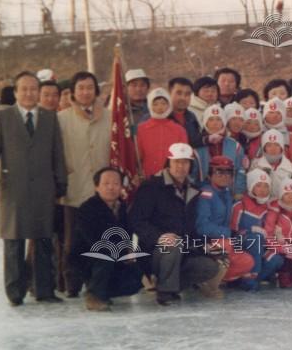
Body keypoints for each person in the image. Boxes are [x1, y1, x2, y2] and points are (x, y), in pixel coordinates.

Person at [0, 71, 68, 305]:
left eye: (33, 89)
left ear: (39, 91)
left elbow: (57, 152)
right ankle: (15, 292)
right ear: (15, 92)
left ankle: (44, 289)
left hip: (43, 188)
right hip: (13, 188)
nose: (29, 93)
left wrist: (61, 181)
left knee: (44, 239)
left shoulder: (49, 117)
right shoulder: (1, 117)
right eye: (24, 89)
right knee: (13, 241)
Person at [129, 142, 227, 306]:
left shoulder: (193, 190)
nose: (181, 167)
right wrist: (159, 237)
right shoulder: (151, 187)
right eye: (177, 162)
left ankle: (169, 286)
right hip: (153, 252)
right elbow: (136, 221)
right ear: (168, 163)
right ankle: (165, 293)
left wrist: (205, 246)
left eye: (185, 162)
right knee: (172, 244)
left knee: (210, 267)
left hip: (184, 251)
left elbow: (191, 229)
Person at [58, 70, 111, 297]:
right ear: (73, 92)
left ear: (96, 91)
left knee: (100, 240)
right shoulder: (62, 119)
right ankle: (71, 283)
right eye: (81, 88)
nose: (86, 92)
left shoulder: (109, 117)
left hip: (102, 192)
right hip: (74, 188)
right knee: (72, 242)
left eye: (90, 87)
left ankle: (97, 283)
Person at [69, 167, 146, 311]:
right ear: (97, 187)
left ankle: (105, 292)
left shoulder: (121, 206)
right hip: (89, 258)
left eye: (116, 183)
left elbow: (127, 232)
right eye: (106, 183)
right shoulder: (87, 209)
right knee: (105, 255)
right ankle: (94, 296)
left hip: (113, 254)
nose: (111, 187)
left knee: (134, 276)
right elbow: (94, 241)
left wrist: (129, 249)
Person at [194, 156, 256, 286]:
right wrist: (229, 233)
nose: (225, 176)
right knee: (227, 246)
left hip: (225, 240)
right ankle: (206, 279)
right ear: (210, 174)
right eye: (219, 172)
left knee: (248, 261)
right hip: (205, 242)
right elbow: (201, 226)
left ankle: (218, 278)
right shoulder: (206, 194)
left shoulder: (226, 192)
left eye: (228, 172)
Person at [137, 89, 188, 179]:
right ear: (149, 105)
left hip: (172, 178)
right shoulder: (140, 129)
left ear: (169, 105)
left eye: (163, 103)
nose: (160, 107)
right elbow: (137, 156)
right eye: (155, 104)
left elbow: (183, 157)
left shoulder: (179, 130)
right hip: (147, 177)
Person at [168, 77, 202, 148]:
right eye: (179, 93)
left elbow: (195, 142)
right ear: (169, 93)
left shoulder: (192, 117)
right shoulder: (159, 117)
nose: (183, 98)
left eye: (187, 94)